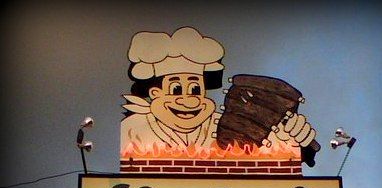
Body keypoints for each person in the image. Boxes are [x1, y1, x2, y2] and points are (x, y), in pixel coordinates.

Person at [120, 27, 315, 156]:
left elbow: (266, 152)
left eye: (196, 89)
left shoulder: (220, 126)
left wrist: (289, 138)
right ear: (155, 93)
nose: (188, 100)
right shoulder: (138, 127)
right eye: (176, 89)